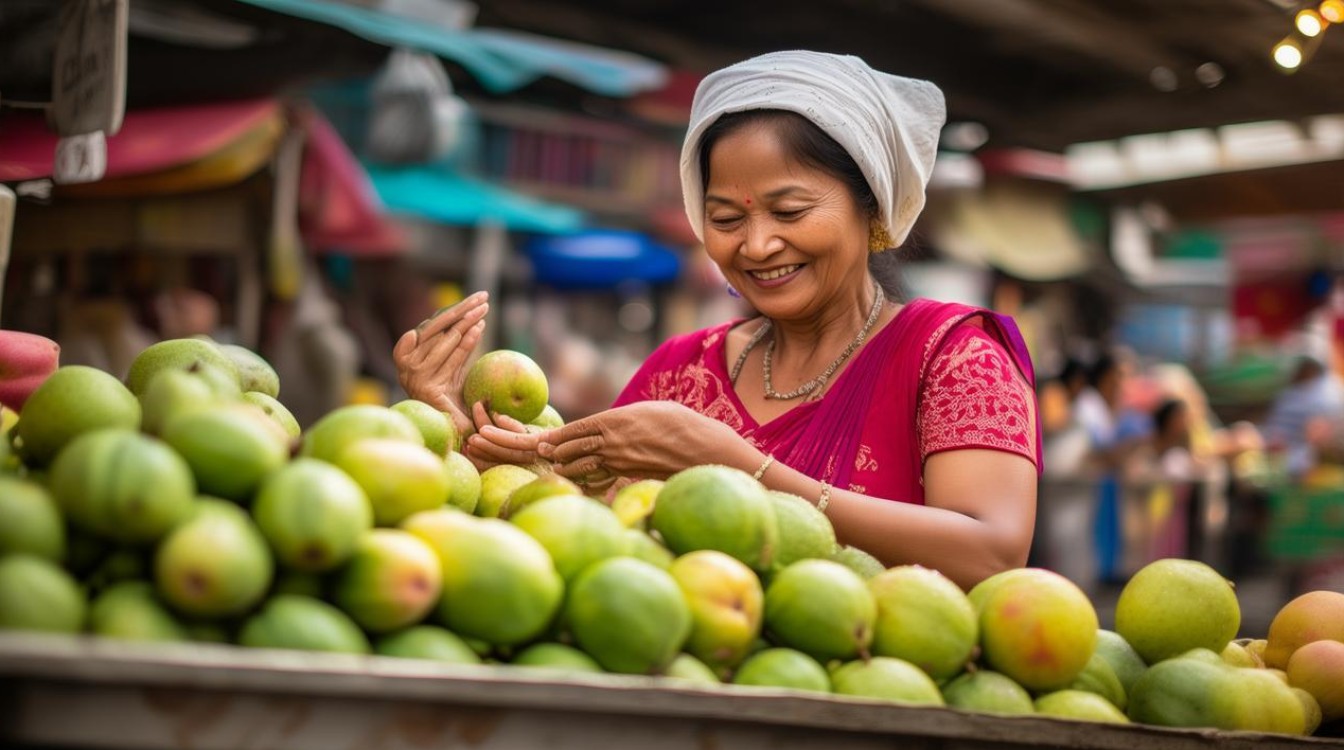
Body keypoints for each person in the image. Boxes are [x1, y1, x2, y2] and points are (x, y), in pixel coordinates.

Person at [394, 51, 1041, 589]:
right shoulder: (679, 372)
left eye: (789, 212)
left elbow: (992, 554)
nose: (756, 246)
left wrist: (742, 468)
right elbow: (576, 531)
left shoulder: (952, 356)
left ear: (871, 208)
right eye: (727, 219)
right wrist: (453, 434)